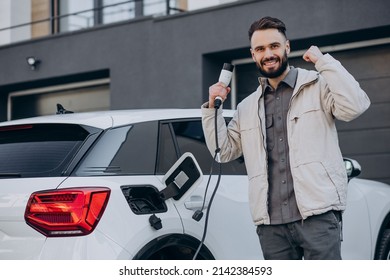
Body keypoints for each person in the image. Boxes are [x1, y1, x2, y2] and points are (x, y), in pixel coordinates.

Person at [201, 16, 370, 260]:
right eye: (260, 49)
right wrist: (212, 108)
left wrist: (324, 63)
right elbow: (223, 151)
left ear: (287, 47)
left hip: (318, 218)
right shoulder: (247, 107)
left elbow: (355, 106)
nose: (268, 54)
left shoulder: (318, 85)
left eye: (274, 46)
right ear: (253, 54)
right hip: (271, 226)